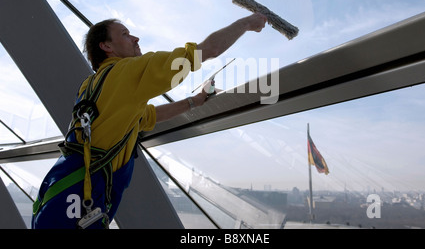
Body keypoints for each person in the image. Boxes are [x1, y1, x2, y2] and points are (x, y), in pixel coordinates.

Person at [31, 13, 267, 229]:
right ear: (106, 46)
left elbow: (146, 117)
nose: (135, 38)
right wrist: (246, 23)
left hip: (58, 201)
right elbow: (205, 51)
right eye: (124, 34)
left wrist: (194, 102)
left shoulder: (93, 85)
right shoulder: (127, 72)